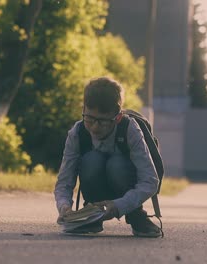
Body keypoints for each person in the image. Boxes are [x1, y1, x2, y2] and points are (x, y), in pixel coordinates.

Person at [54, 76, 161, 237]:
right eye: (89, 119)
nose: (95, 128)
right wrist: (64, 206)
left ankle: (136, 215)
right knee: (92, 160)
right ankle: (91, 215)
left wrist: (121, 205)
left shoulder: (130, 130)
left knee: (116, 164)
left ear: (117, 117)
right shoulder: (78, 132)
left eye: (102, 121)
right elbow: (64, 180)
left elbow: (150, 181)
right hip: (95, 191)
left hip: (126, 190)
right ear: (83, 109)